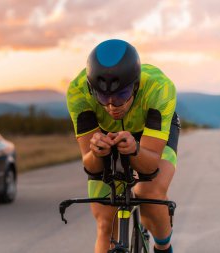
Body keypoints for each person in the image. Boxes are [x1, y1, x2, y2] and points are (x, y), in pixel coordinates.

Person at [66, 39, 180, 253]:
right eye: (102, 96)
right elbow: (91, 166)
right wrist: (96, 152)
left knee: (149, 191)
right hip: (106, 136)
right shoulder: (78, 92)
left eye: (121, 95)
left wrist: (135, 150)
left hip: (150, 132)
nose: (111, 106)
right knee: (105, 223)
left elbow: (150, 165)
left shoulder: (160, 88)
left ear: (136, 86)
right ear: (91, 89)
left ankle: (163, 247)